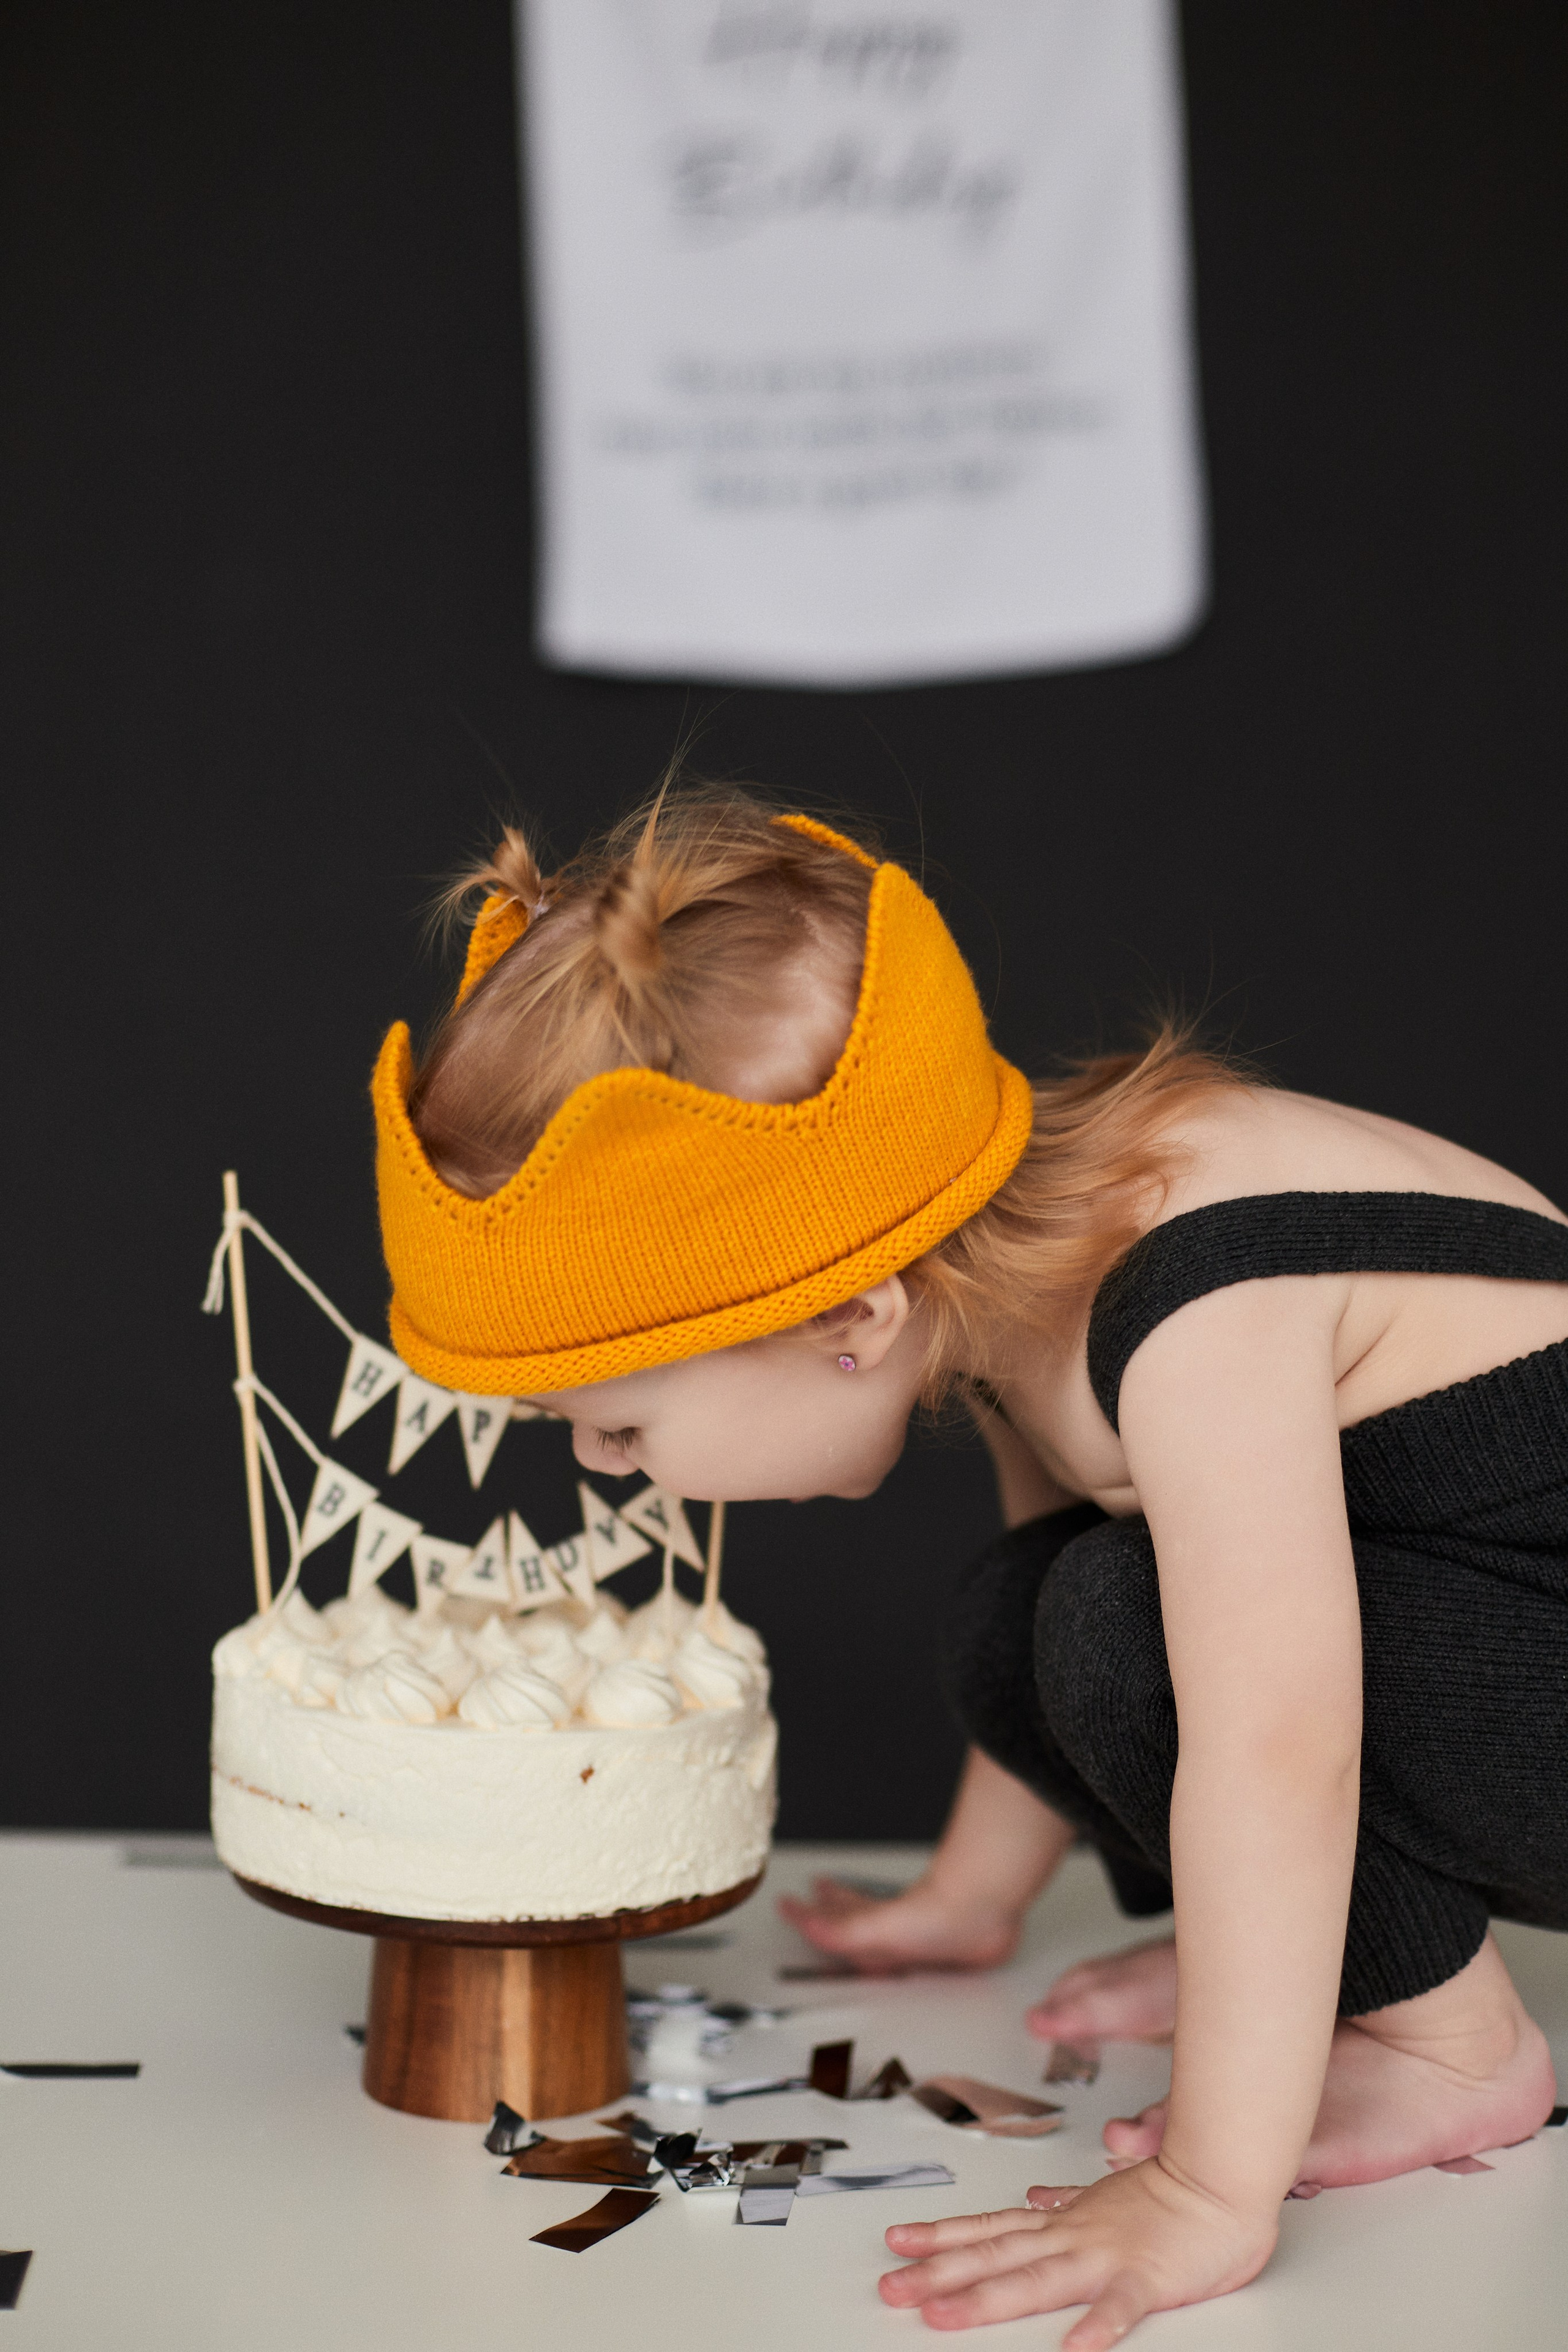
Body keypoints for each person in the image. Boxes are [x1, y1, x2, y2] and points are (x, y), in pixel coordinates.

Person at [373, 783, 1568, 2346]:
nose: (608, 1469)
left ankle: (1452, 2050)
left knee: (1123, 1632)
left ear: (847, 1319)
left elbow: (1277, 1743)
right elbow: (1060, 1638)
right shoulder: (999, 1264)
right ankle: (1313, 1964)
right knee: (1033, 1616)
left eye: (617, 1423)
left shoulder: (1190, 1296)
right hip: (1495, 1653)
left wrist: (1211, 2184)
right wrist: (966, 1900)